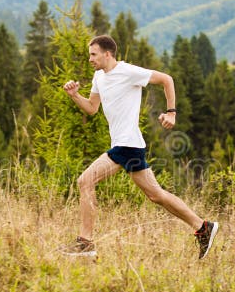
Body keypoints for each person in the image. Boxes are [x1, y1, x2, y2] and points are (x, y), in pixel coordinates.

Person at [61, 34, 219, 259]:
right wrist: (74, 95)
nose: (90, 59)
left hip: (126, 145)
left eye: (93, 54)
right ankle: (203, 227)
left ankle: (85, 243)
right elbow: (92, 108)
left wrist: (171, 112)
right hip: (129, 145)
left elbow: (167, 79)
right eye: (89, 55)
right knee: (156, 195)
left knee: (85, 181)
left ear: (107, 54)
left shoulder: (128, 72)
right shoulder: (99, 77)